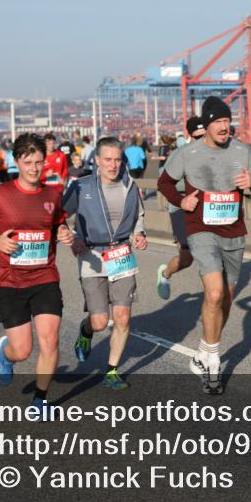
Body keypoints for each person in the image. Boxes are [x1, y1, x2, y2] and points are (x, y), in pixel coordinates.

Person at [157, 96, 251, 394]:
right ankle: (212, 363)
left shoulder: (242, 151)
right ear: (206, 125)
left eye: (226, 121)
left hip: (234, 231)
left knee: (226, 300)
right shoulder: (187, 153)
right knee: (215, 291)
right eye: (218, 122)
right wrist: (181, 200)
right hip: (201, 229)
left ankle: (204, 351)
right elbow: (165, 183)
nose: (224, 127)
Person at [0, 133, 72, 419]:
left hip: (44, 277)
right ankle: (6, 355)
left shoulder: (53, 195)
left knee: (50, 340)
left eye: (39, 162)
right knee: (23, 350)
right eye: (28, 162)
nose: (34, 168)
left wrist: (64, 232)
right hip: (8, 280)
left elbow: (59, 224)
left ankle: (40, 400)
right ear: (17, 162)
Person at [62, 137, 148, 390]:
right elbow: (60, 216)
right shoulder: (81, 186)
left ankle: (112, 370)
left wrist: (140, 234)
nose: (113, 165)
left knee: (122, 317)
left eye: (117, 160)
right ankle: (86, 331)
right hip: (92, 256)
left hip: (121, 254)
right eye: (107, 160)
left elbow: (139, 215)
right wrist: (72, 239)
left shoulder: (130, 185)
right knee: (100, 321)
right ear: (97, 160)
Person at [156, 117, 207, 300]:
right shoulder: (180, 154)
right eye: (197, 136)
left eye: (204, 136)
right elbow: (164, 181)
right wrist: (183, 195)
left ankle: (212, 297)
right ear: (189, 135)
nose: (202, 140)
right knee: (187, 257)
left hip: (206, 208)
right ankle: (165, 274)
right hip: (181, 208)